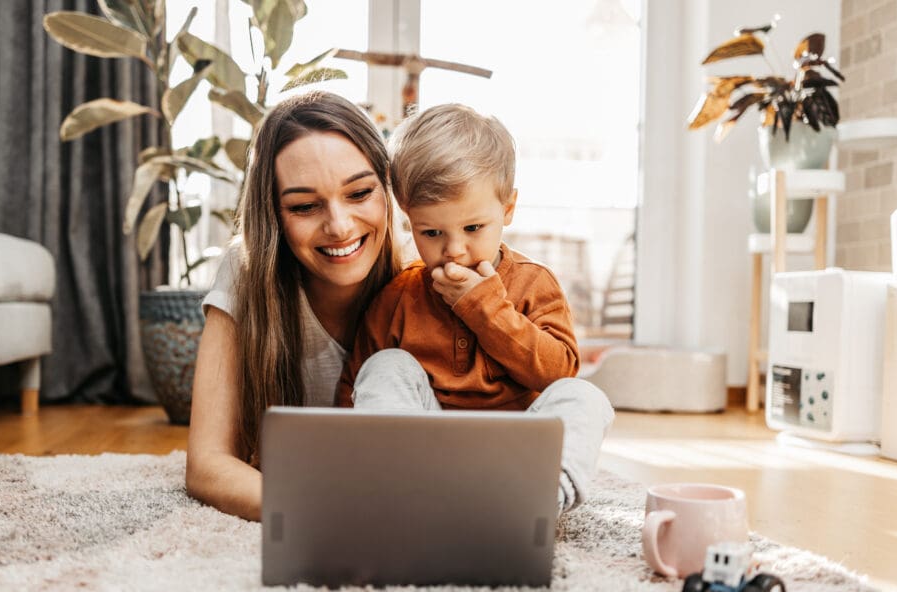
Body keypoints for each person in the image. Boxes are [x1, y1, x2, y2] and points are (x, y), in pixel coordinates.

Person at [337, 103, 614, 512]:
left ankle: (535, 503)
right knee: (385, 366)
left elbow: (558, 372)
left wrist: (484, 307)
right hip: (425, 459)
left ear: (508, 210)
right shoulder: (398, 296)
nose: (454, 250)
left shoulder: (534, 283)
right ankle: (397, 489)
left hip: (517, 461)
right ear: (408, 220)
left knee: (584, 397)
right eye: (431, 232)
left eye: (473, 228)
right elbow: (356, 389)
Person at [186, 91, 402, 521]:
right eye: (304, 206)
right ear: (274, 214)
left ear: (387, 189)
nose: (339, 227)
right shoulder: (245, 272)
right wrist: (324, 513)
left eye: (359, 193)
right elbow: (206, 465)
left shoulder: (419, 273)